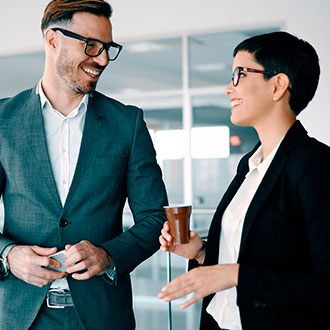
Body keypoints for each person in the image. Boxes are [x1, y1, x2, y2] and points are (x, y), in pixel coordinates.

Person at [0, 1, 168, 329]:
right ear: (52, 40)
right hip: (22, 315)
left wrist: (109, 255)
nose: (102, 59)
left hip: (102, 314)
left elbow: (154, 217)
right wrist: (8, 256)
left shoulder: (127, 123)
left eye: (108, 48)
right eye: (91, 45)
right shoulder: (3, 121)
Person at [158, 31, 330, 330]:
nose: (228, 88)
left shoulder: (316, 165)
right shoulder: (250, 164)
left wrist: (234, 274)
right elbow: (259, 250)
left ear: (278, 85)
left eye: (240, 73)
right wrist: (202, 253)